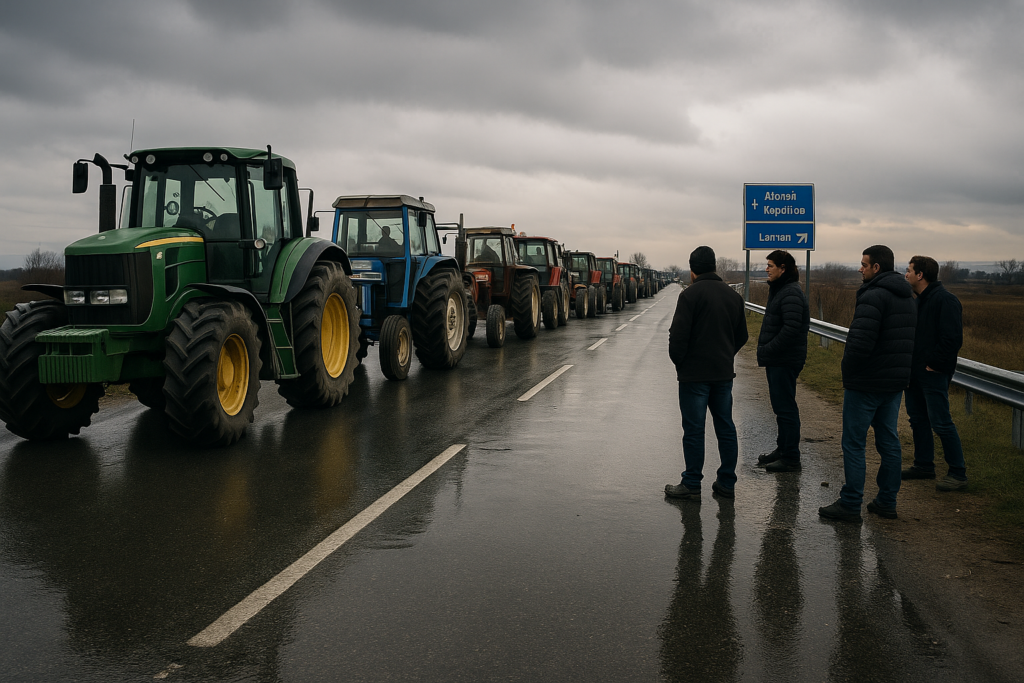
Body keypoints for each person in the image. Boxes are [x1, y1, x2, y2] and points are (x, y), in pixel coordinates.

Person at [819, 245, 916, 523]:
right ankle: (887, 501)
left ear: (876, 267)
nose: (859, 269)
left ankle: (851, 503)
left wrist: (848, 371)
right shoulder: (908, 297)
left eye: (864, 264)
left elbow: (859, 343)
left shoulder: (873, 295)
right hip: (893, 383)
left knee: (854, 443)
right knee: (889, 441)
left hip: (866, 383)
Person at [665, 246, 749, 501]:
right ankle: (727, 482)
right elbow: (742, 336)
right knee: (726, 427)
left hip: (694, 377)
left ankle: (691, 484)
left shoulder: (690, 296)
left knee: (694, 430)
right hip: (723, 375)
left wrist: (681, 364)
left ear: (692, 270)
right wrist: (725, 356)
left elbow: (678, 338)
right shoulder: (733, 297)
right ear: (714, 266)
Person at [901, 255, 968, 491]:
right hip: (915, 373)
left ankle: (958, 473)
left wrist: (934, 364)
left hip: (933, 373)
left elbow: (952, 339)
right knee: (918, 420)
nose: (906, 274)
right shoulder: (918, 301)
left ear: (920, 275)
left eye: (909, 270)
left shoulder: (945, 300)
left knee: (941, 423)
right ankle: (923, 465)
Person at [756, 250, 810, 473]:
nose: (766, 269)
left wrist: (769, 349)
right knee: (780, 407)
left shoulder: (790, 293)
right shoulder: (781, 290)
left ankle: (791, 458)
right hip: (779, 359)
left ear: (783, 268)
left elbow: (791, 329)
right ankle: (783, 449)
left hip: (784, 360)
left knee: (786, 408)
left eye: (770, 265)